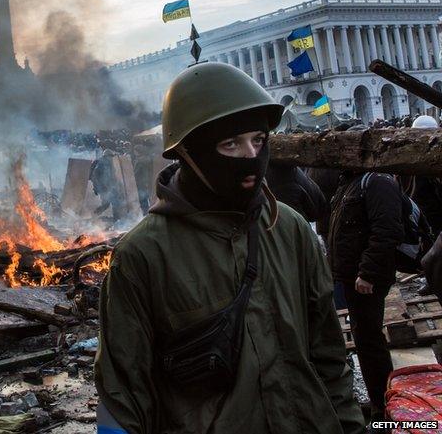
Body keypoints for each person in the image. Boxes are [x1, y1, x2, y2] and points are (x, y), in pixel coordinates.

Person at [96, 62, 363, 434]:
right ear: (188, 154)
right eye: (230, 144)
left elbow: (329, 356)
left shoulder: (288, 228)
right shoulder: (143, 257)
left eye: (258, 140)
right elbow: (123, 398)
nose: (251, 157)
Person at [328, 166, 406, 421]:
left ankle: (383, 407)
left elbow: (387, 231)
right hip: (353, 277)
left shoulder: (377, 182)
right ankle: (381, 400)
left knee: (369, 341)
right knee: (365, 338)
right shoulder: (350, 181)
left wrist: (368, 273)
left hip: (366, 279)